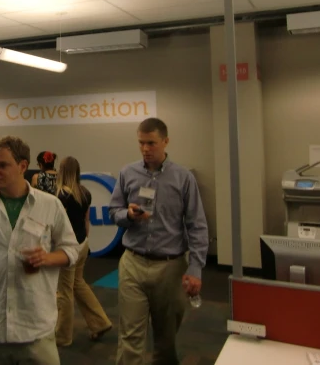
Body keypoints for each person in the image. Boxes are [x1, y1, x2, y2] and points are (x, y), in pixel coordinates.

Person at [0, 136, 79, 365]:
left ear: (23, 166)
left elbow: (71, 249)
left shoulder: (49, 205)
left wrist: (48, 258)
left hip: (36, 328)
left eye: (2, 165)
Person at [109, 118, 209, 365]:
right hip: (133, 261)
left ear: (165, 141)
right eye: (141, 143)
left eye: (151, 143)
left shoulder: (183, 178)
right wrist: (128, 215)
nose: (145, 149)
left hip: (170, 267)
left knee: (166, 339)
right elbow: (114, 211)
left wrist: (195, 268)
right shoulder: (127, 173)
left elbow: (197, 225)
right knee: (130, 335)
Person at [54, 156, 112, 347]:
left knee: (64, 293)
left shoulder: (62, 195)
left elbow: (56, 226)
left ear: (62, 171)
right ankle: (100, 322)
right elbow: (86, 222)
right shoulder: (84, 193)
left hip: (67, 249)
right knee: (78, 284)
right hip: (82, 245)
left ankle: (62, 337)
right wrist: (84, 242)